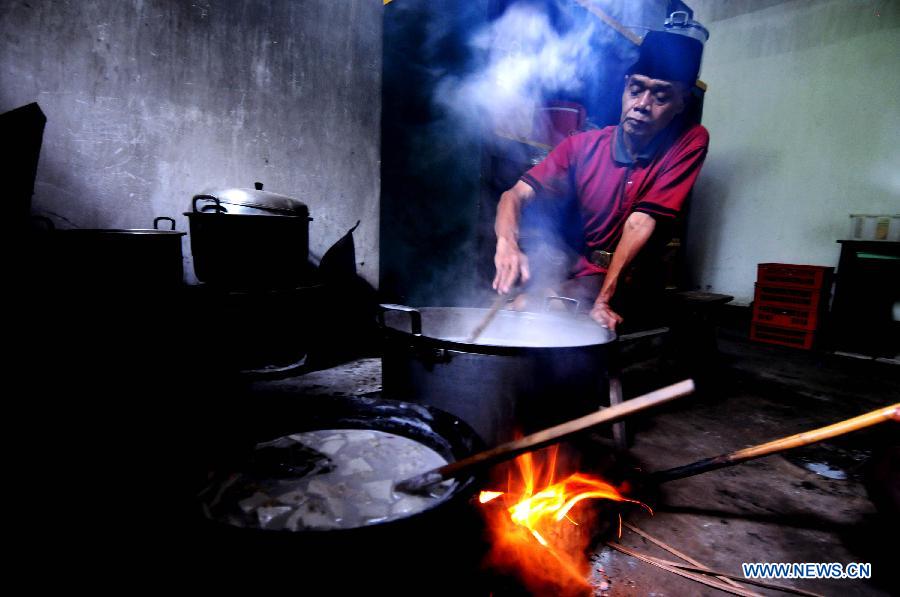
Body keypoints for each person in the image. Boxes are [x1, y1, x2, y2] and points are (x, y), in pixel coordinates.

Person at [492, 30, 709, 331]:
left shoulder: (689, 141)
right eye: (636, 89)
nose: (642, 104)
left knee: (553, 315)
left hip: (636, 279)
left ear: (682, 102)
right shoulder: (581, 145)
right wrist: (507, 244)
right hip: (585, 271)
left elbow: (639, 223)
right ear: (625, 88)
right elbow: (514, 195)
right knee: (521, 307)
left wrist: (603, 301)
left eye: (660, 96)